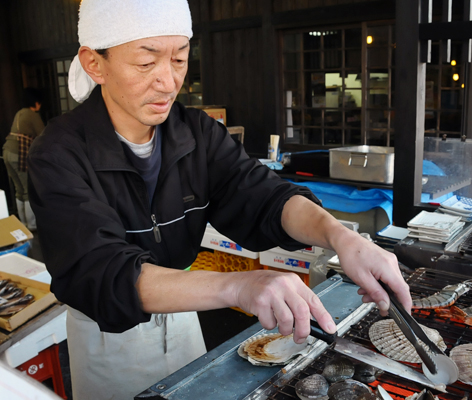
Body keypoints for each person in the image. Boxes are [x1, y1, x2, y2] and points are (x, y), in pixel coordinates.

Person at [27, 1, 412, 399]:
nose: (167, 81)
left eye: (179, 59)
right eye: (146, 63)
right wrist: (239, 287)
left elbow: (265, 196)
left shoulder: (196, 133)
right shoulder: (59, 153)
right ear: (94, 64)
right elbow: (102, 270)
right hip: (108, 337)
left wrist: (341, 236)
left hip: (183, 318)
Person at [4, 87, 43, 231]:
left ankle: (22, 224)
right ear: (36, 102)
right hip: (19, 154)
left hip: (7, 151)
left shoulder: (19, 113)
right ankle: (31, 225)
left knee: (19, 189)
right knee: (28, 190)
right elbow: (42, 136)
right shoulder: (33, 115)